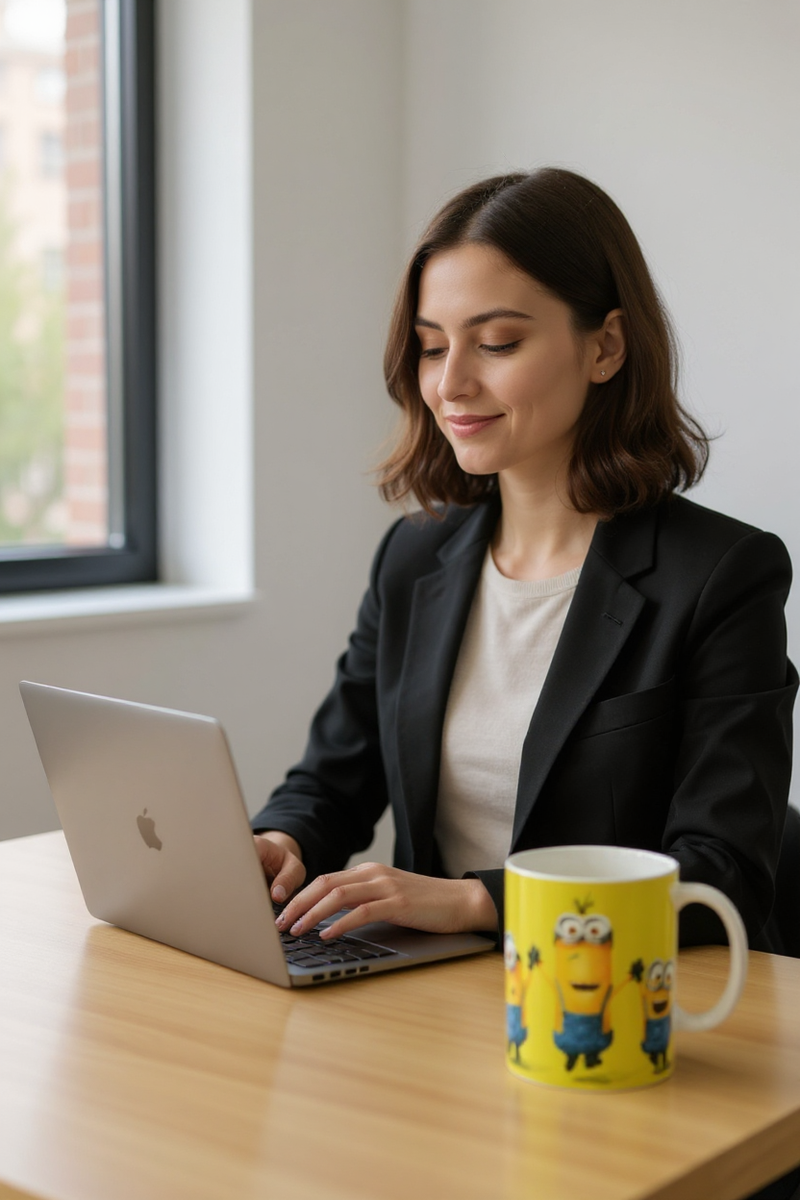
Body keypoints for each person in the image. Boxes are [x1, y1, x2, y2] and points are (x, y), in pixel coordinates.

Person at [249, 167, 797, 956]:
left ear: (605, 346)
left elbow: (720, 877)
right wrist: (284, 840)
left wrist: (478, 902)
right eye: (433, 347)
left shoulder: (722, 575)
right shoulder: (415, 556)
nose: (450, 384)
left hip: (614, 1006)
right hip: (436, 998)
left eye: (497, 343)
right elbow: (333, 780)